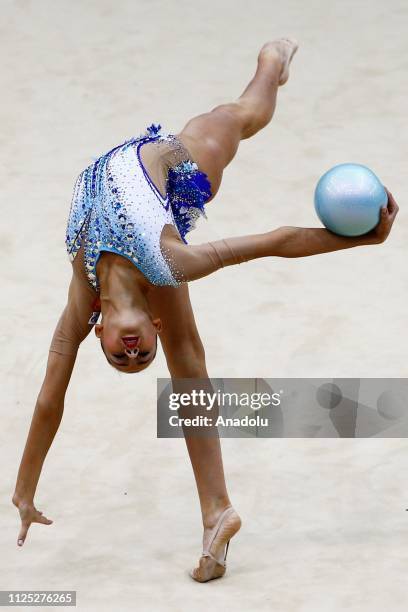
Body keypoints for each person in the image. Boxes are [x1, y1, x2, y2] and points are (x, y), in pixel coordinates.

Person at [12, 38, 399, 583]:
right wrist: (361, 241)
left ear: (97, 328)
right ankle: (217, 512)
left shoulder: (84, 296)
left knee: (238, 117)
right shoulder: (176, 262)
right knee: (188, 362)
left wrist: (23, 488)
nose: (132, 356)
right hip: (172, 171)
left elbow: (51, 394)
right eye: (141, 357)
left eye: (120, 359)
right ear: (153, 325)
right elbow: (275, 240)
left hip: (138, 160)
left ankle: (272, 61)